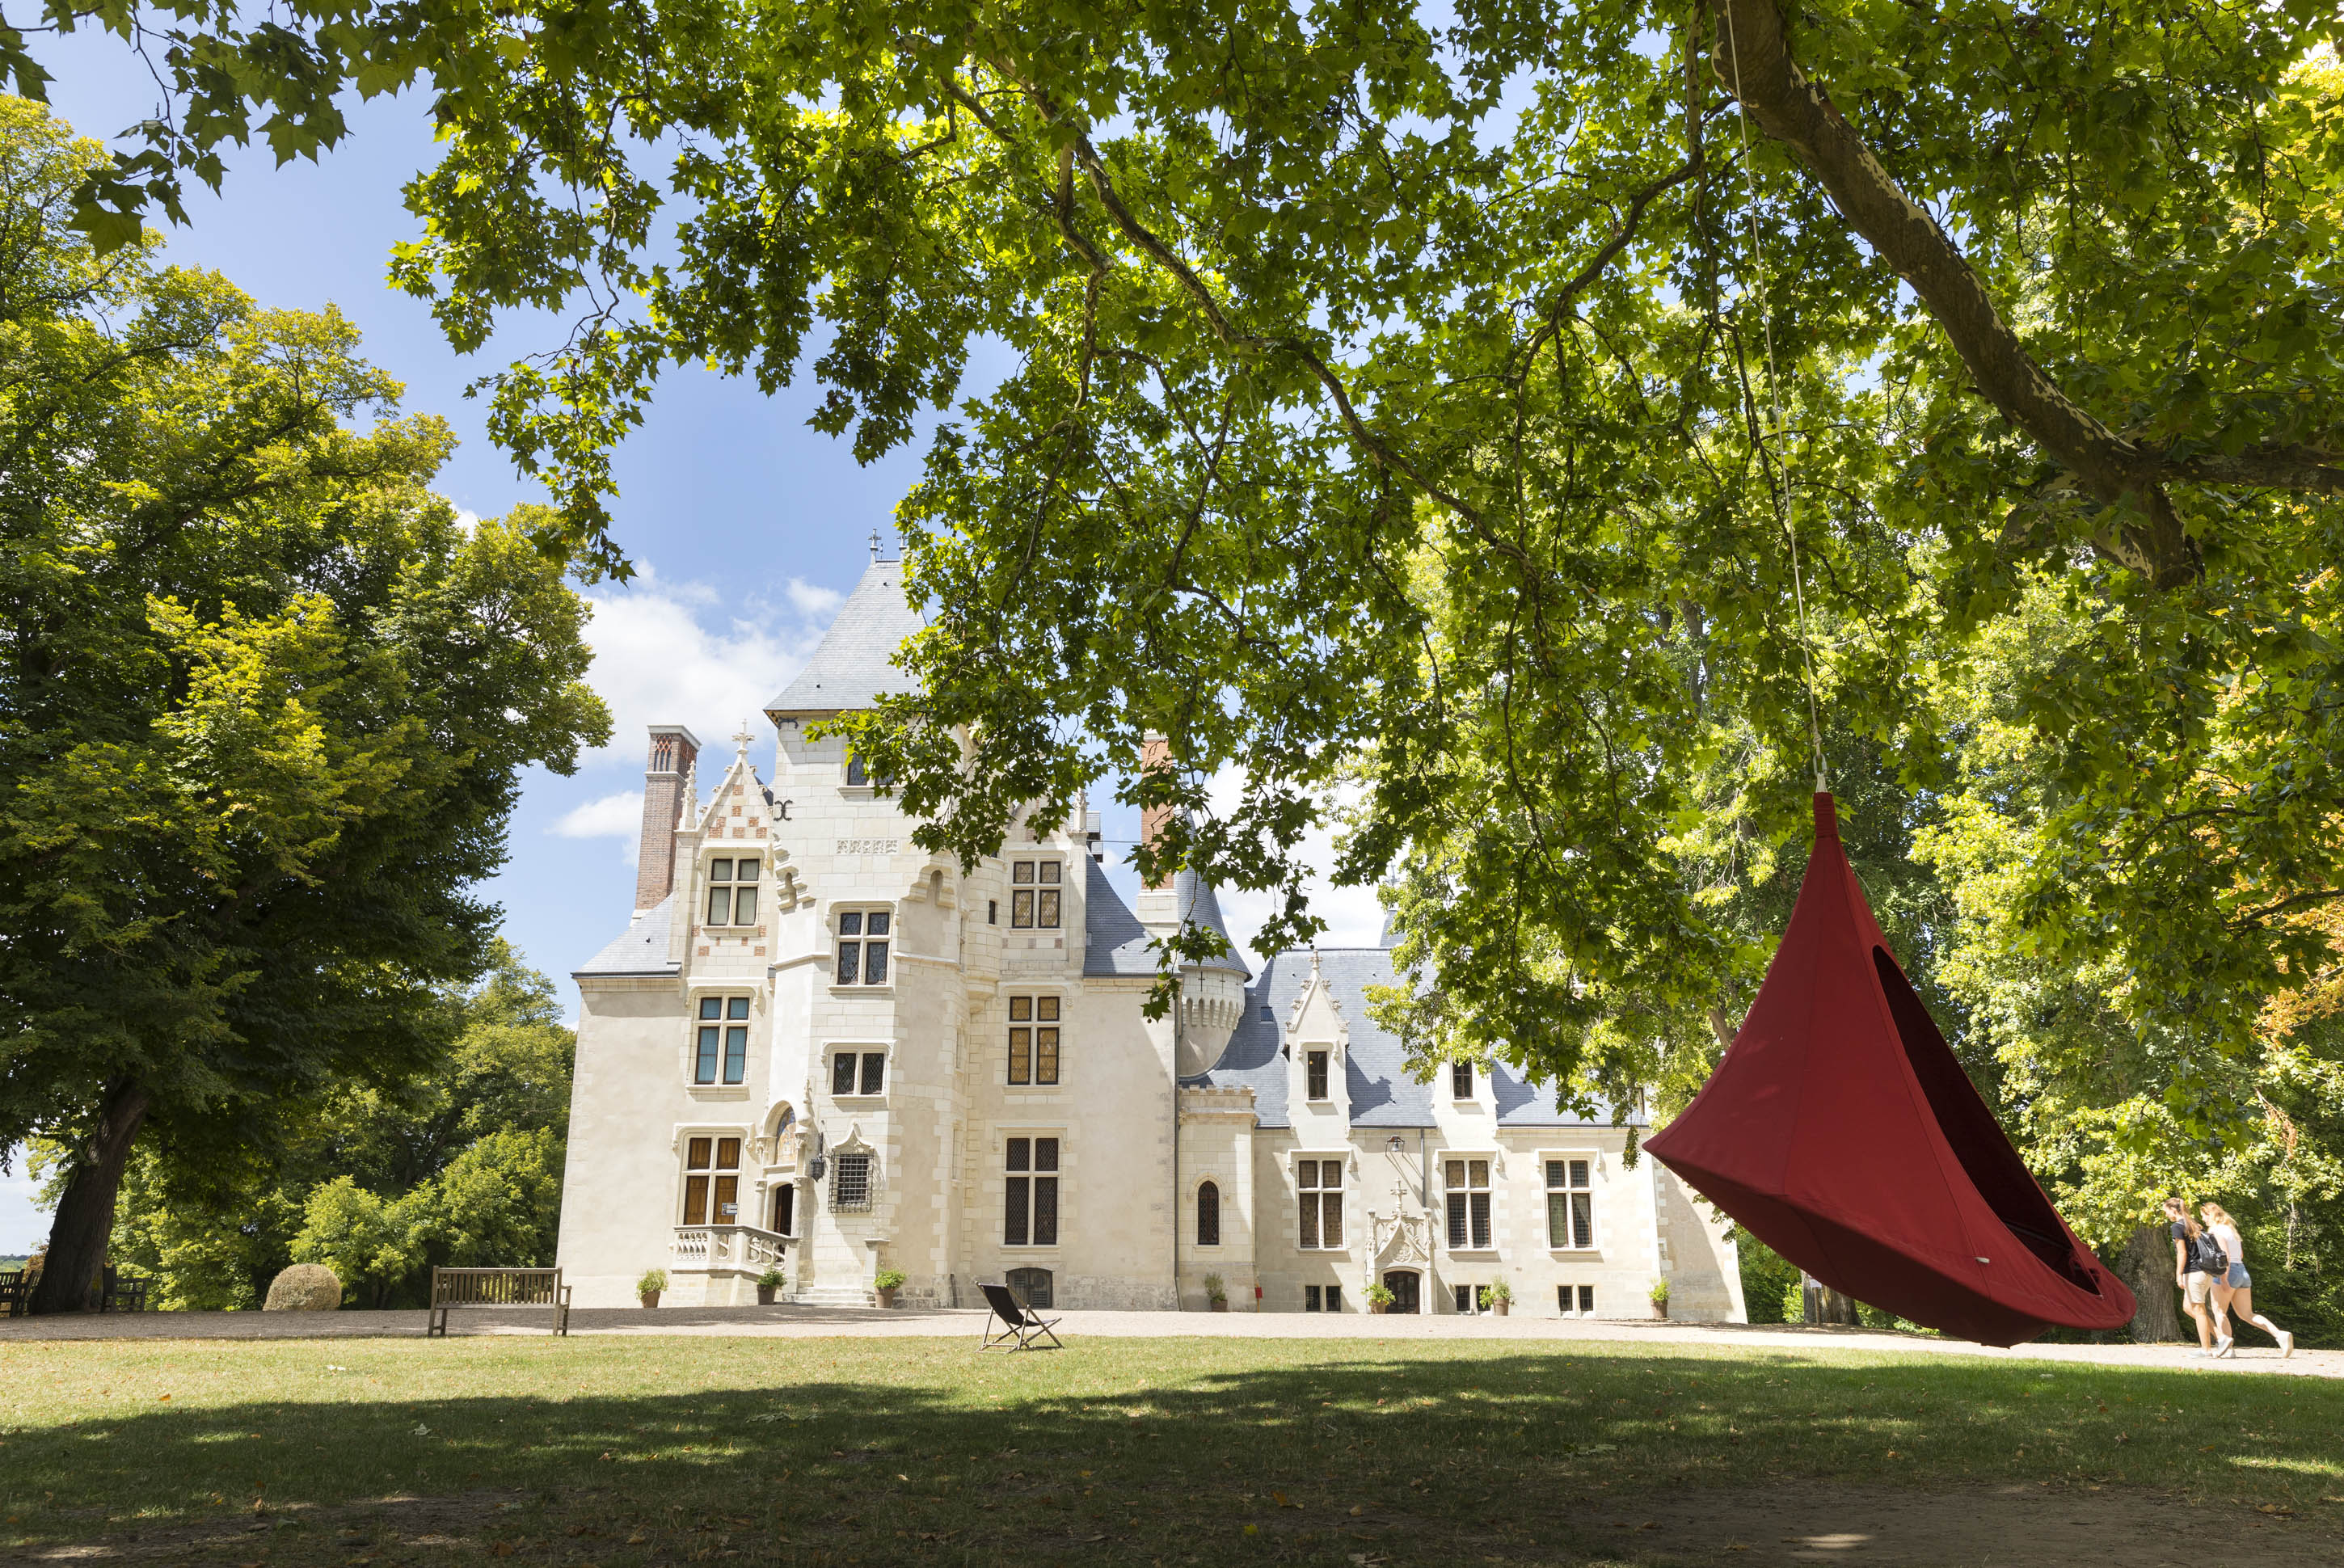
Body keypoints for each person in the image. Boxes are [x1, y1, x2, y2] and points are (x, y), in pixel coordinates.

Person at [2201, 1202, 2294, 1359]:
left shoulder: (2216, 1231)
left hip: (2227, 1271)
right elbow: (2240, 1254)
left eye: (2204, 1215)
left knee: (2219, 1311)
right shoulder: (2232, 1230)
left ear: (2210, 1215)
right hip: (2242, 1271)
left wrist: (2224, 1279)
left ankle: (2228, 1350)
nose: (2203, 1219)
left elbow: (2225, 1256)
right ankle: (2280, 1335)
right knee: (2247, 1314)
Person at [2164, 1196, 2229, 1357]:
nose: (2166, 1215)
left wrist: (2178, 1274)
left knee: (2199, 1310)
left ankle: (2206, 1349)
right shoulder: (2194, 1224)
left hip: (2194, 1272)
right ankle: (2221, 1337)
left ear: (2173, 1210)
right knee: (2188, 1307)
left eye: (2166, 1211)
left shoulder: (2177, 1227)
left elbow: (2182, 1252)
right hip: (2204, 1272)